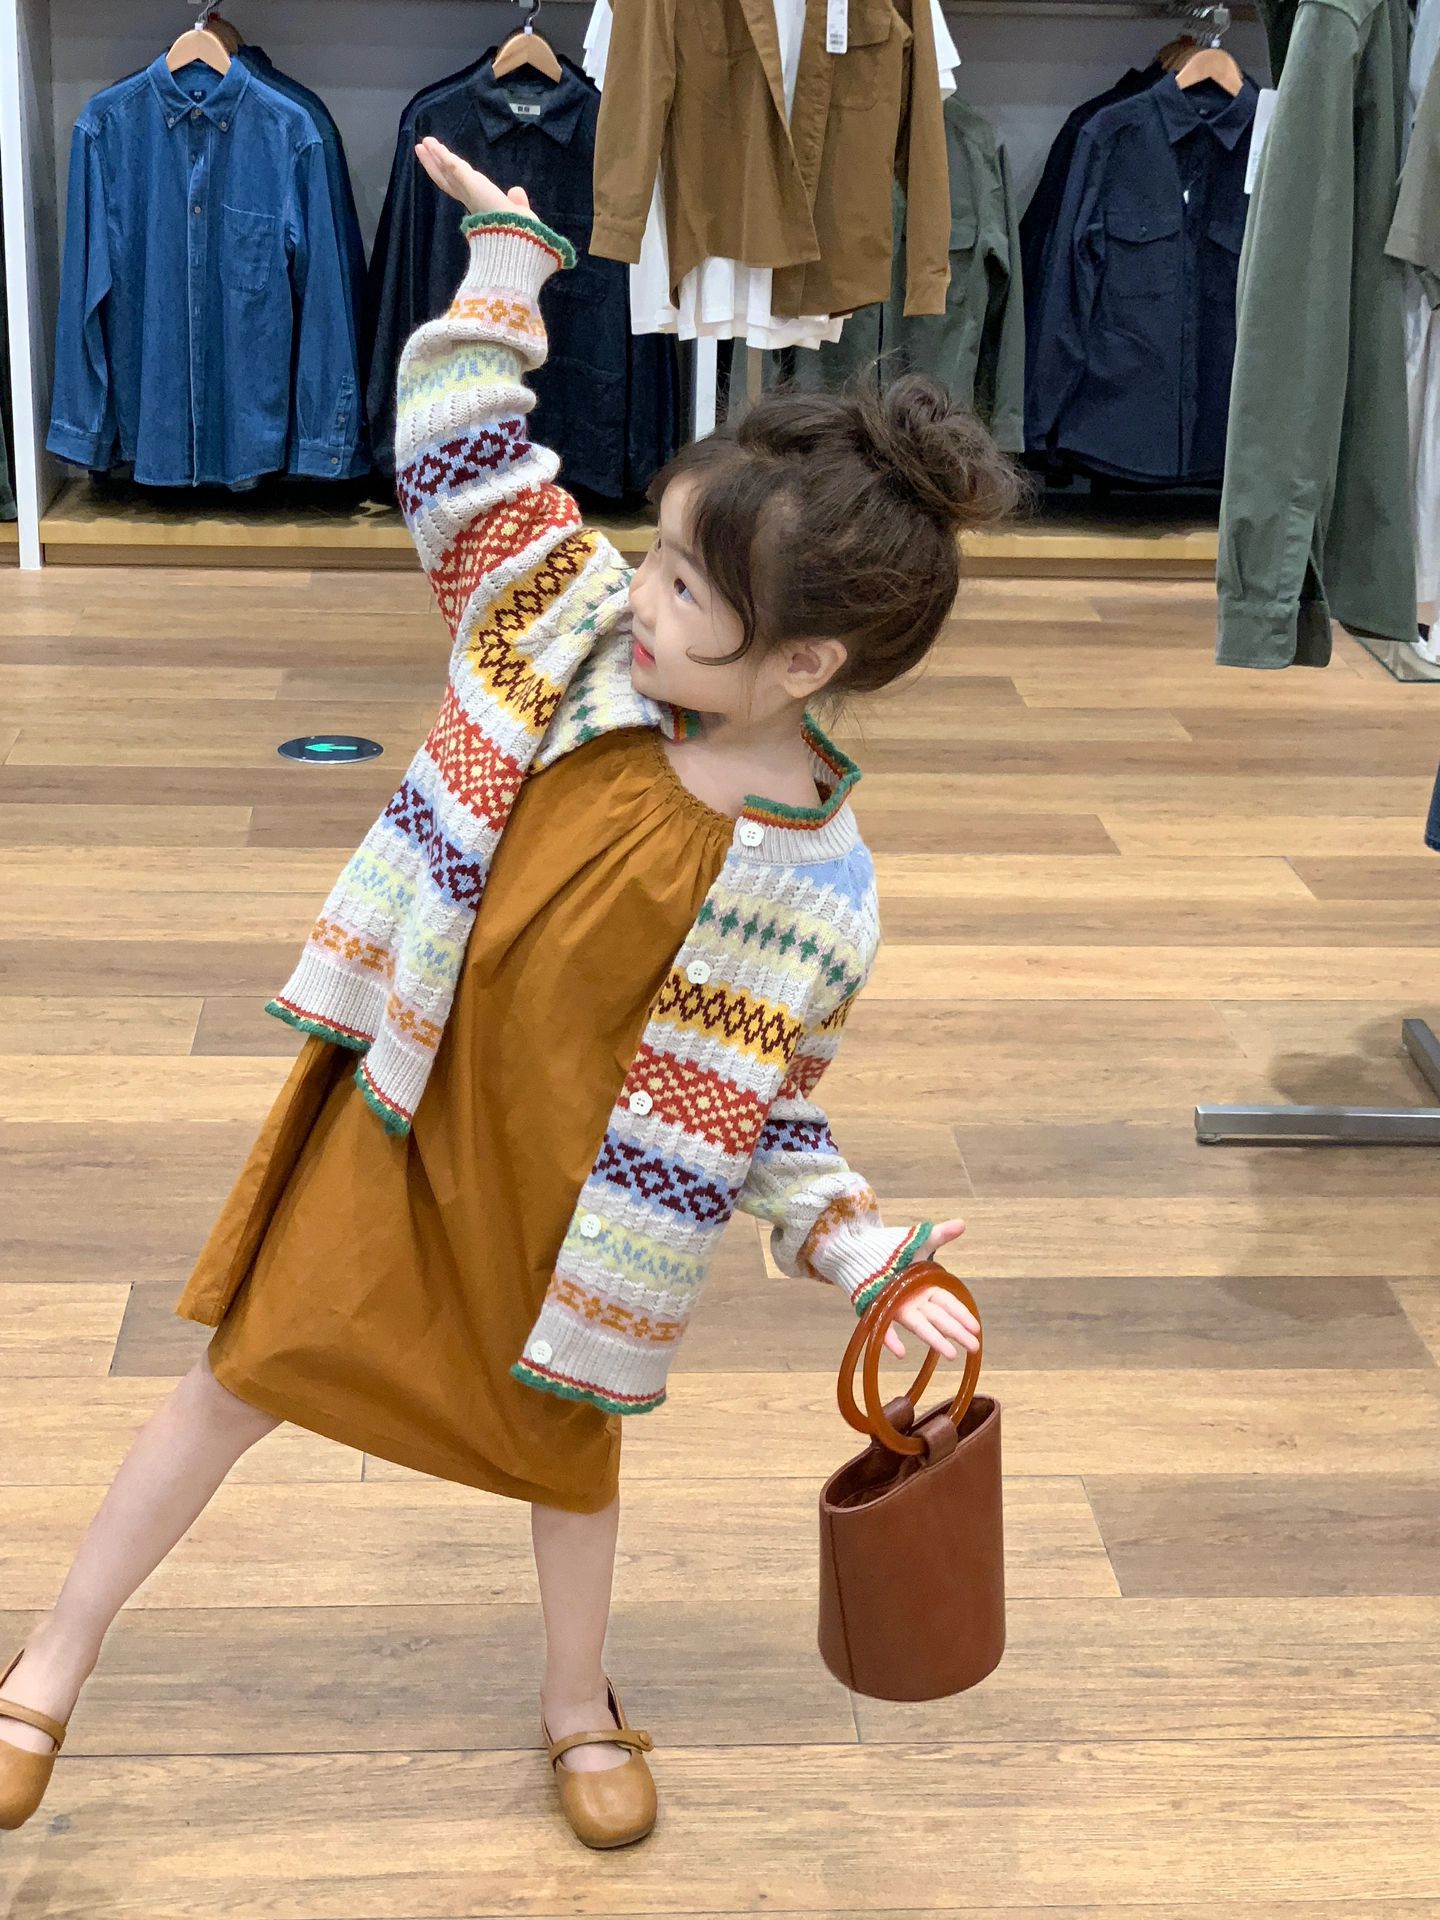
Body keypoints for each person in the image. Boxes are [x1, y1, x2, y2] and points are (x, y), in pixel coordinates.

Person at [0, 141, 1022, 1849]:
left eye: (689, 587)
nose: (646, 588)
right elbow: (461, 457)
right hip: (405, 1117)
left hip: (581, 1214)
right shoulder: (572, 628)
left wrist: (871, 1259)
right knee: (240, 1380)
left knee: (568, 1462)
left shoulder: (817, 889)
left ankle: (576, 1701)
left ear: (805, 662)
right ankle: (48, 1665)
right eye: (661, 552)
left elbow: (769, 1112)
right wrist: (505, 268)